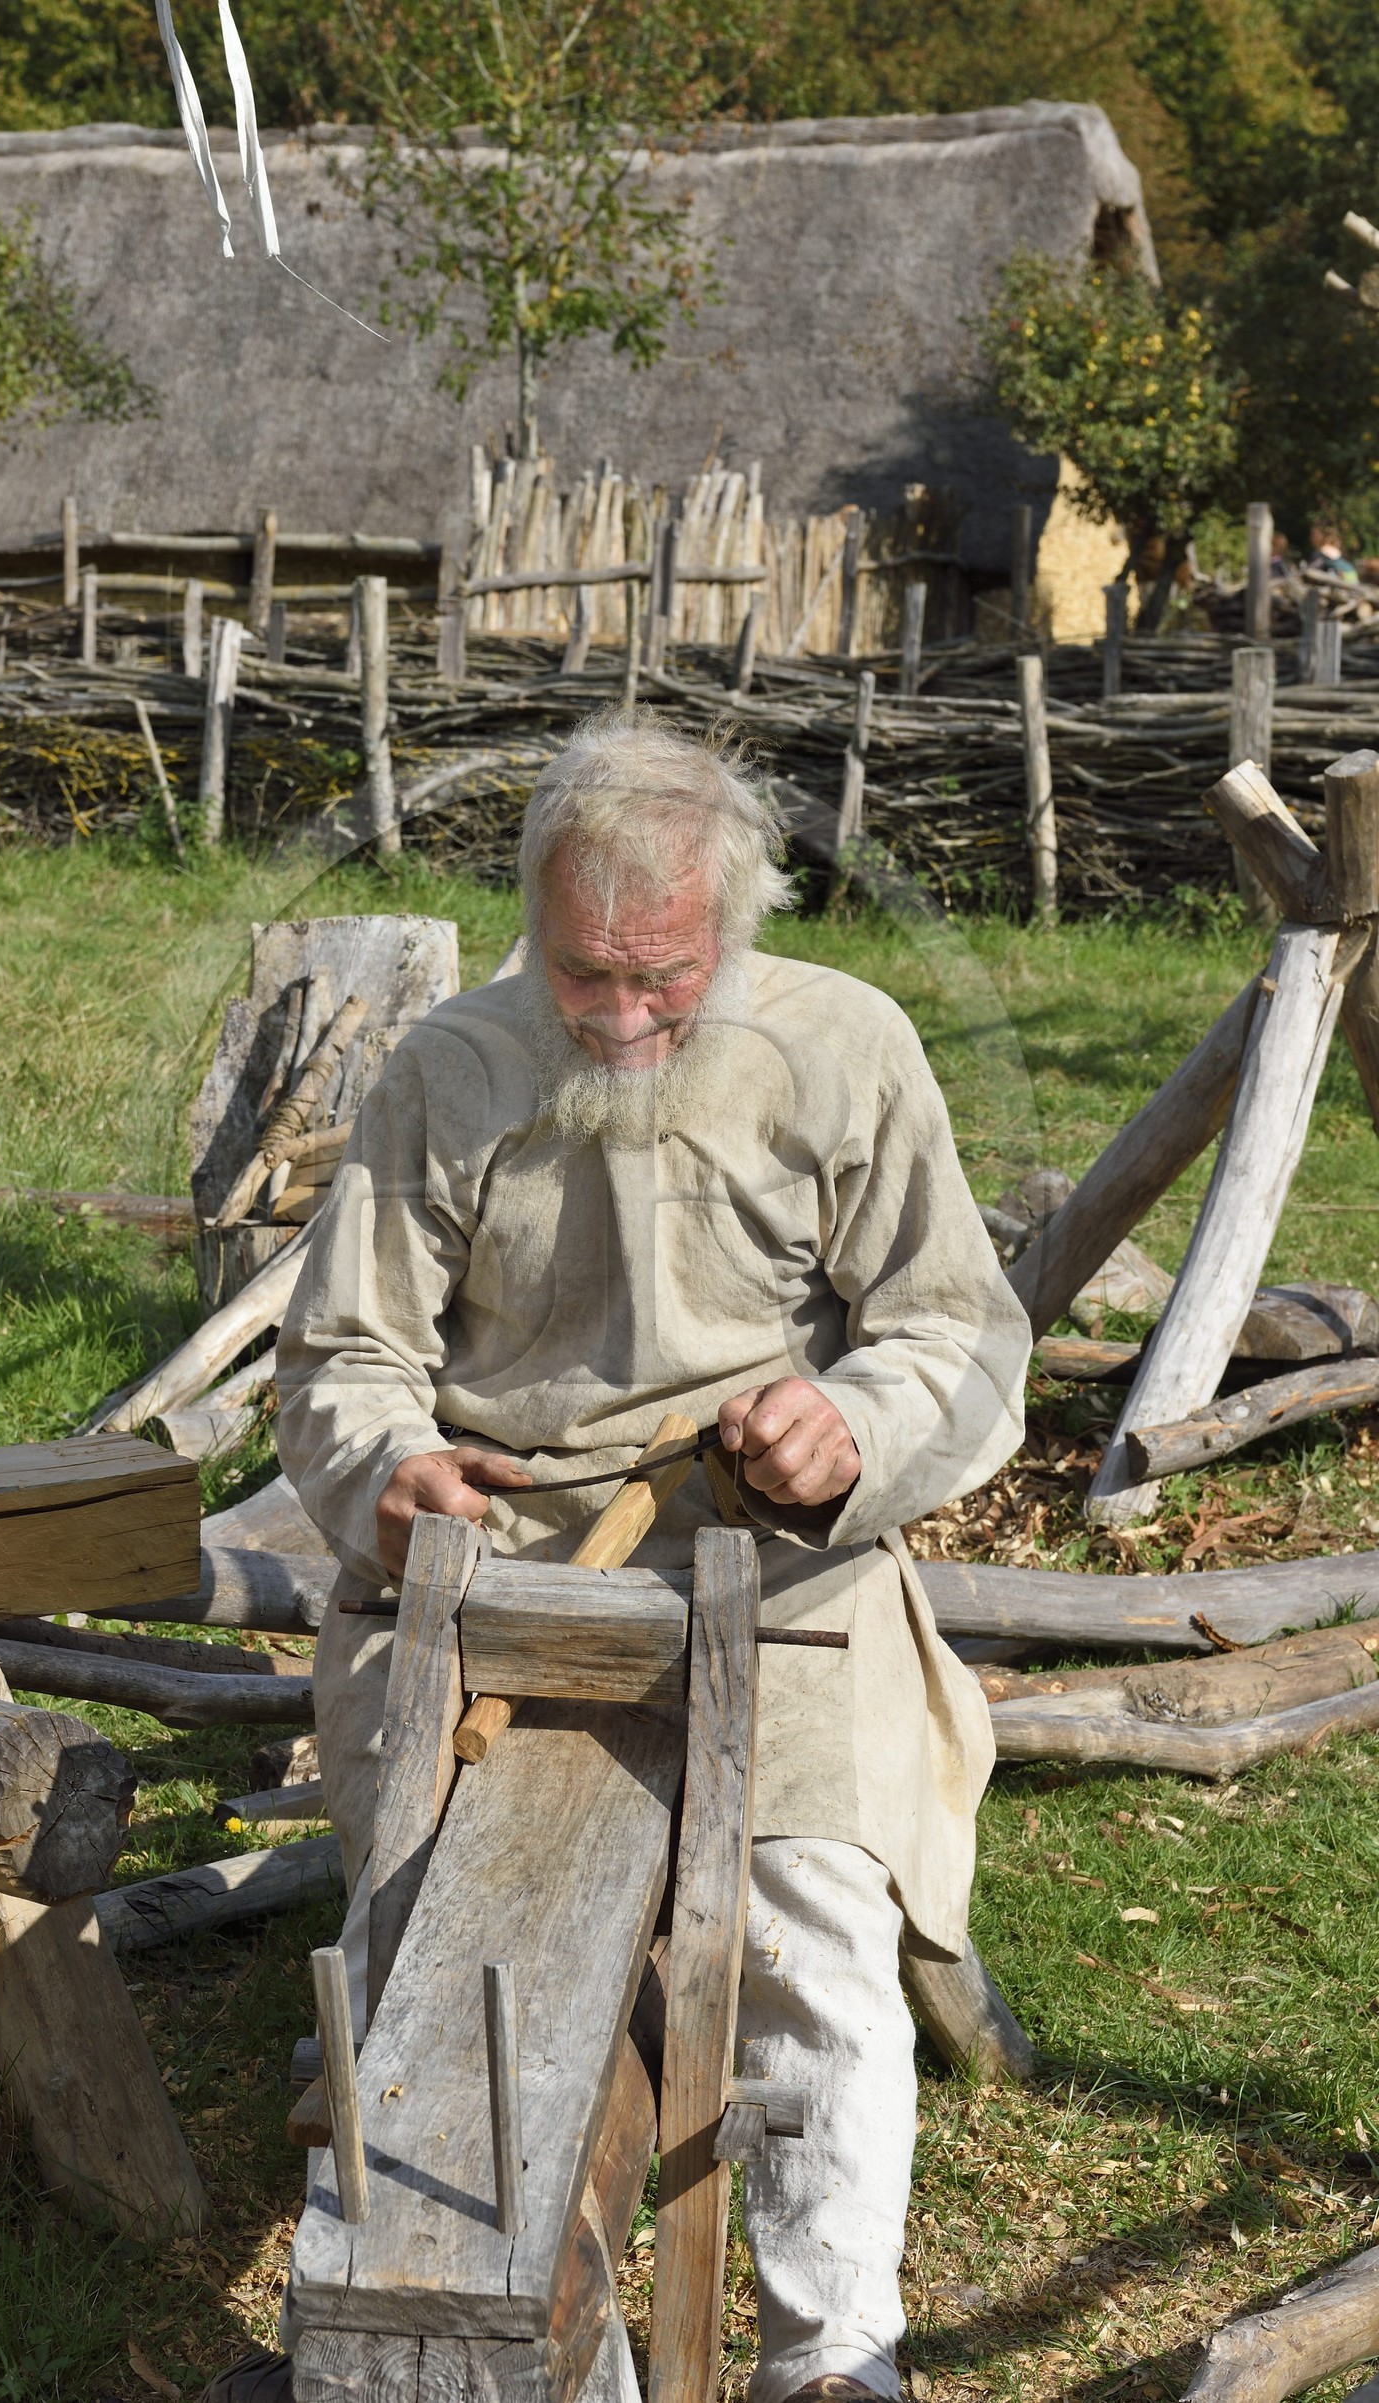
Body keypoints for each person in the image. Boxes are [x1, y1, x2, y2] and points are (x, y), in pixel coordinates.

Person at [272, 712, 1031, 2403]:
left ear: (734, 933)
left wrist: (849, 1430)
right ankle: (553, 2362)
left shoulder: (845, 1047)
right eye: (583, 976)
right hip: (496, 1569)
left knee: (805, 1922)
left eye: (664, 979)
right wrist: (393, 1476)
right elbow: (343, 1357)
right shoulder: (449, 1069)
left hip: (772, 1565)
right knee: (461, 1957)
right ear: (532, 926)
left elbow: (958, 1333)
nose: (620, 1020)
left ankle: (835, 2356)